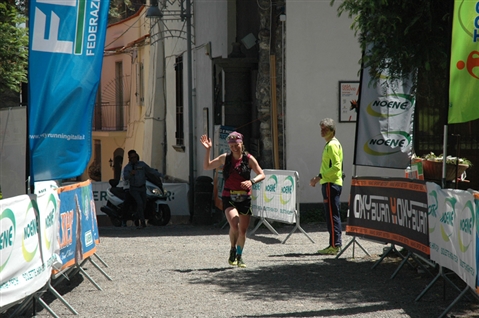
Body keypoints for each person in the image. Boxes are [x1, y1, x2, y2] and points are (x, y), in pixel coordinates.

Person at [200, 131, 265, 267]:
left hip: (245, 197)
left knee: (243, 230)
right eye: (231, 146)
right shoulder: (225, 158)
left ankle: (239, 256)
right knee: (234, 225)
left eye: (236, 145)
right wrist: (208, 150)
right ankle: (232, 249)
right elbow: (207, 166)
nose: (234, 148)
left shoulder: (249, 159)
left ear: (242, 143)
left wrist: (252, 181)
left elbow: (261, 174)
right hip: (229, 196)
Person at [309, 118, 344, 255]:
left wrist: (319, 177)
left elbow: (336, 167)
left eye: (325, 129)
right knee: (332, 214)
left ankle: (335, 245)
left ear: (332, 131)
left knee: (332, 215)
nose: (322, 131)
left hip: (331, 183)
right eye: (321, 129)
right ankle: (333, 244)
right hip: (330, 182)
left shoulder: (332, 145)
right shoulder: (331, 144)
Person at [123, 150, 150, 229]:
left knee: (144, 204)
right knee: (139, 203)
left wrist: (160, 175)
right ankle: (142, 222)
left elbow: (149, 170)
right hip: (132, 189)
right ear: (129, 158)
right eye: (132, 157)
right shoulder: (127, 168)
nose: (134, 159)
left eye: (135, 157)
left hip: (142, 188)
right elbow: (125, 177)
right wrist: (130, 174)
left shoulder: (141, 164)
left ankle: (136, 216)